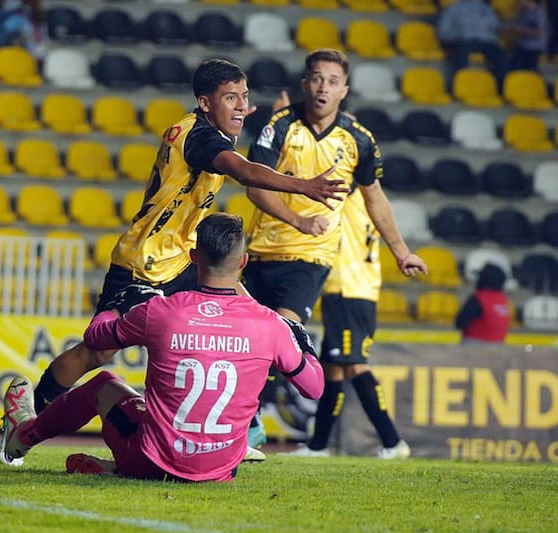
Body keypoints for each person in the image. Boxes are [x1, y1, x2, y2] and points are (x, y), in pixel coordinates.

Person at [25, 58, 347, 440]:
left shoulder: (209, 129)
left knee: (245, 317)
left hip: (184, 260)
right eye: (230, 98)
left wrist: (239, 113)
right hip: (144, 263)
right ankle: (32, 416)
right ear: (205, 103)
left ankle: (245, 429)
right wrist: (303, 186)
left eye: (244, 97)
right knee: (96, 353)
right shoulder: (199, 137)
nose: (242, 105)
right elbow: (243, 172)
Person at [0, 213, 325, 481]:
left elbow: (95, 338)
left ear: (193, 257)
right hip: (222, 468)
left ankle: (23, 437)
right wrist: (303, 343)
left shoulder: (162, 311)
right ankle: (120, 468)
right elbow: (314, 387)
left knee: (103, 385)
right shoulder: (269, 323)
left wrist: (117, 304)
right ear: (243, 262)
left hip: (154, 459)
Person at [240, 48, 427, 446]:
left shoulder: (358, 140)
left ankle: (256, 421)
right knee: (247, 339)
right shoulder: (280, 126)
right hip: (262, 250)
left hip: (311, 257)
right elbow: (254, 186)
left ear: (344, 90)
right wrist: (299, 219)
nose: (324, 87)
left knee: (281, 330)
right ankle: (248, 419)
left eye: (333, 81)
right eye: (317, 78)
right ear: (305, 84)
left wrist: (402, 251)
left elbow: (375, 198)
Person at [284, 191, 411, 459]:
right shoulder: (372, 201)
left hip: (348, 289)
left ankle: (392, 441)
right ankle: (318, 446)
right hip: (357, 290)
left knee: (355, 365)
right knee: (334, 370)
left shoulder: (348, 200)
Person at [437, 0, 509, 86]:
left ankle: (501, 87)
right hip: (464, 40)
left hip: (486, 41)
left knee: (501, 56)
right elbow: (444, 30)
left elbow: (496, 26)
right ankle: (458, 85)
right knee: (461, 53)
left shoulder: (485, 7)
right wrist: (456, 37)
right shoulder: (454, 8)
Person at [455, 263, 511, 344]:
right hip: (499, 345)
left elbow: (460, 322)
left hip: (475, 344)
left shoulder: (479, 298)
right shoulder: (503, 299)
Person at [509, 0, 548, 71]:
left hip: (534, 49)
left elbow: (540, 33)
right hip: (522, 46)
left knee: (526, 69)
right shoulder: (523, 11)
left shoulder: (539, 13)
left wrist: (522, 31)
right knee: (512, 67)